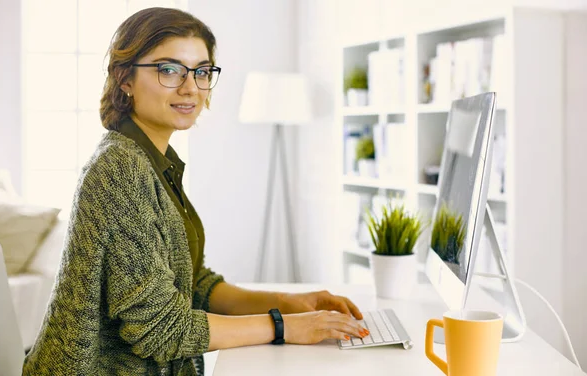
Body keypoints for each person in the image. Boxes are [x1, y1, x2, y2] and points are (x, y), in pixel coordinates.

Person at [23, 7, 369, 375]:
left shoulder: (155, 160)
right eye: (169, 70)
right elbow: (160, 330)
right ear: (124, 78)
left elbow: (194, 284)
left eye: (202, 72)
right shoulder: (120, 167)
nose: (191, 88)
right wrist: (285, 326)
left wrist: (289, 302)